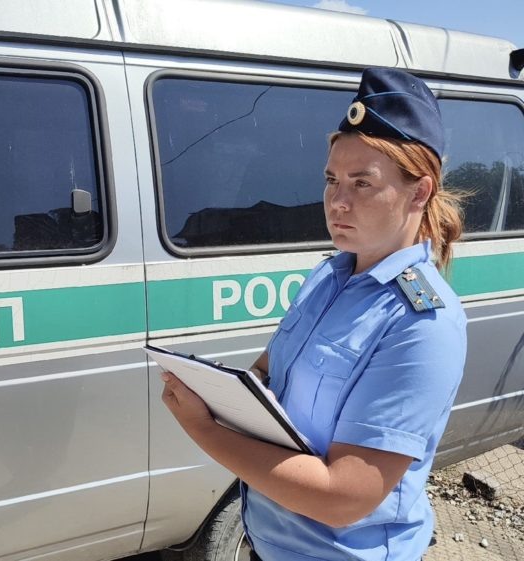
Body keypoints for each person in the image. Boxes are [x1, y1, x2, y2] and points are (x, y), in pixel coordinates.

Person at [161, 67, 467, 561]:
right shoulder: (328, 275)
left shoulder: (422, 323)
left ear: (419, 192)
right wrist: (218, 390)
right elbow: (269, 372)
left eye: (362, 183)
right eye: (331, 180)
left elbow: (342, 498)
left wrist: (204, 427)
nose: (337, 202)